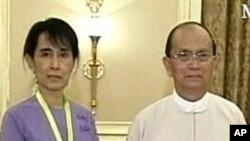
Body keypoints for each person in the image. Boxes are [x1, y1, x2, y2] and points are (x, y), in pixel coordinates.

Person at [127, 21, 246, 141]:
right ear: (168, 65)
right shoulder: (144, 123)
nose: (194, 65)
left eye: (203, 55)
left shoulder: (234, 117)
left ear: (214, 64)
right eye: (184, 55)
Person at [0, 18, 99, 141]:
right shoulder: (16, 117)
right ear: (30, 61)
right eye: (46, 54)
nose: (55, 65)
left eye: (63, 55)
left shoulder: (85, 117)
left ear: (73, 63)